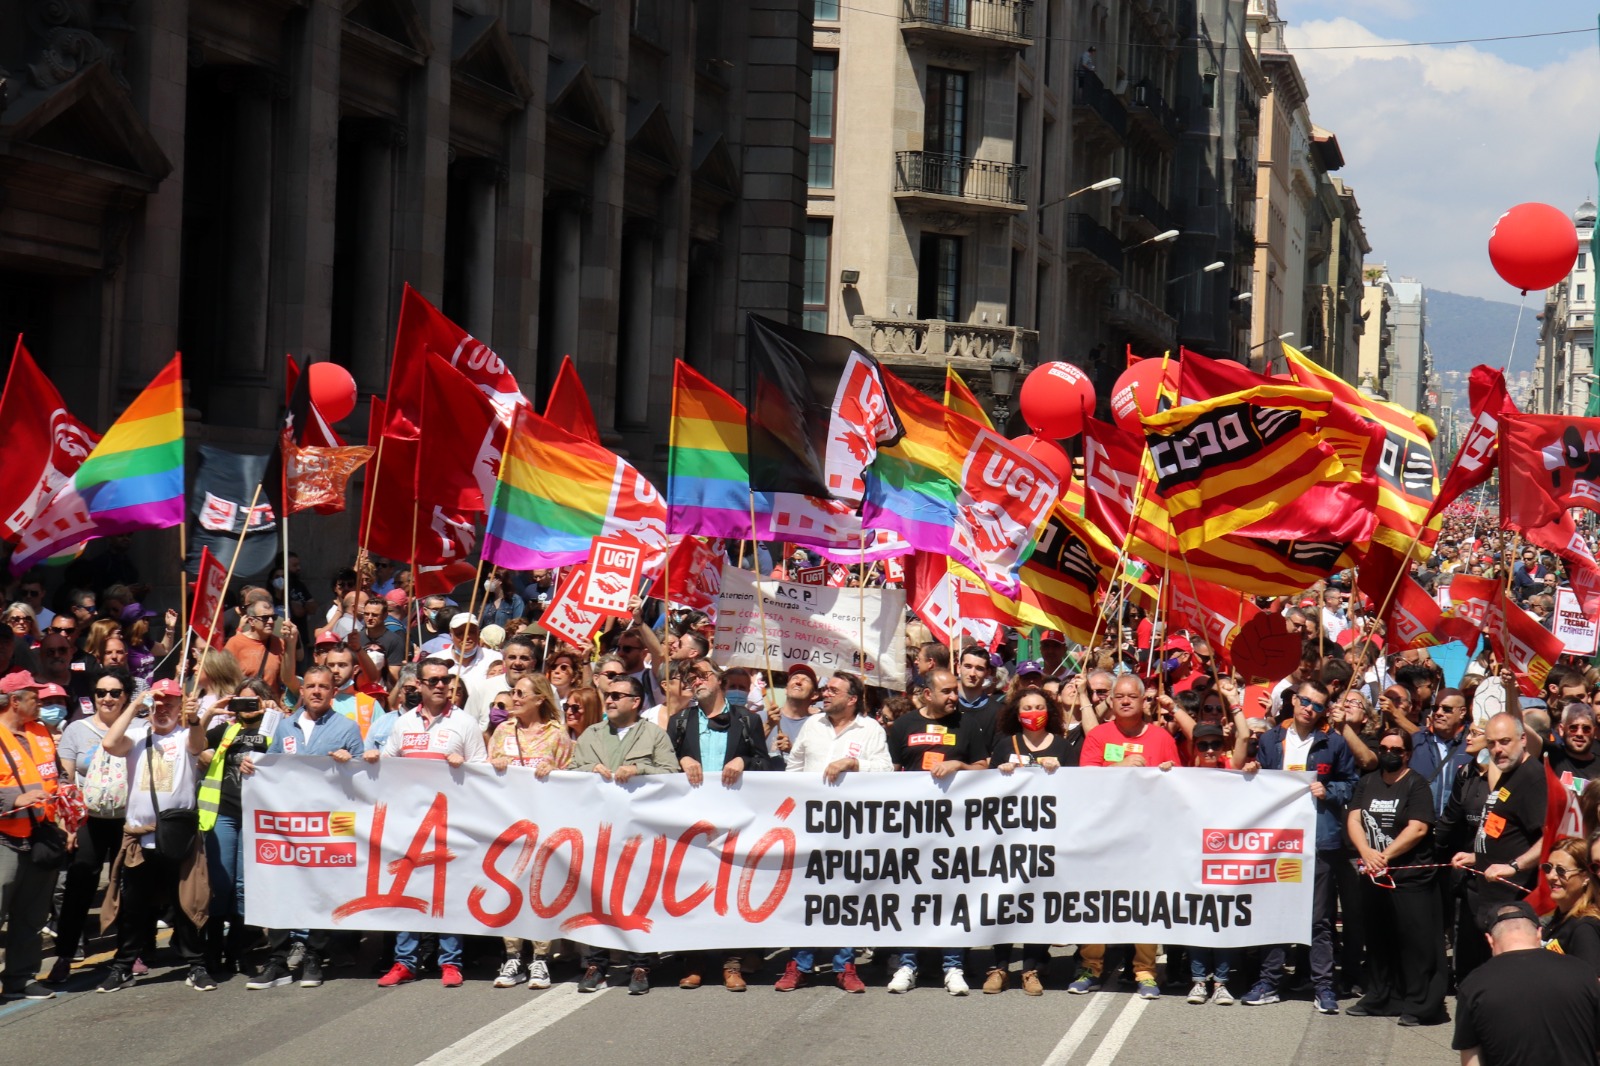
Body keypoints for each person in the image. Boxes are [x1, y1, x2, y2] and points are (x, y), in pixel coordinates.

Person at [368, 656, 488, 988]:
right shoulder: (404, 723)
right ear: (418, 685)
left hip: (451, 822)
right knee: (407, 889)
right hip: (409, 821)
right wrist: (374, 758)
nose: (440, 685)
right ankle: (405, 962)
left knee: (447, 892)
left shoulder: (465, 723)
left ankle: (450, 962)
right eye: (432, 680)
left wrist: (465, 766)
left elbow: (483, 773)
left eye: (445, 679)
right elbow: (389, 764)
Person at [244, 665, 366, 990]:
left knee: (323, 890)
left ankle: (314, 955)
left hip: (328, 825)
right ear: (302, 690)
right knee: (281, 888)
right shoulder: (286, 726)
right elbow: (270, 766)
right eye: (310, 686)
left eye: (323, 686)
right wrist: (251, 765)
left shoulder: (347, 728)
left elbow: (364, 777)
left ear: (333, 691)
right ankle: (278, 960)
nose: (316, 691)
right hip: (289, 825)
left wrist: (350, 761)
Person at [1240, 679, 1357, 1015]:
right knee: (1275, 914)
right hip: (1279, 843)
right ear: (1293, 701)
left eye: (1318, 705)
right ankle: (1268, 982)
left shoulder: (1333, 743)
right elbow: (1262, 784)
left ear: (1324, 710)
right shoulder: (1271, 739)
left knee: (1319, 920)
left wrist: (1328, 791)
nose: (1310, 709)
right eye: (1305, 701)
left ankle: (1323, 987)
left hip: (1318, 842)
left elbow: (1351, 784)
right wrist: (1254, 771)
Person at [776, 671, 892, 993]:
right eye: (825, 689)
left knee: (845, 895)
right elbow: (794, 767)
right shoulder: (813, 725)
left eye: (833, 690)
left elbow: (885, 769)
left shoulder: (870, 729)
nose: (825, 694)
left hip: (850, 828)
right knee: (807, 896)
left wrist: (855, 765)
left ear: (852, 699)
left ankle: (845, 965)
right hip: (809, 826)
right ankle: (799, 964)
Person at [95, 677, 211, 993]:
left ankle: (196, 965)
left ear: (179, 707)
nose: (162, 710)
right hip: (140, 838)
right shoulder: (136, 735)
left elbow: (198, 745)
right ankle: (123, 967)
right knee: (134, 909)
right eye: (158, 704)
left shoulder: (185, 735)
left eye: (169, 704)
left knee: (186, 904)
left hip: (177, 838)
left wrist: (195, 718)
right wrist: (135, 704)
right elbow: (109, 744)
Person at [1072, 673, 1181, 999]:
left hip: (1147, 837)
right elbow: (1085, 779)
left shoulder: (1161, 737)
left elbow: (1179, 784)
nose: (1125, 701)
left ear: (1143, 700)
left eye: (1132, 696)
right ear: (1110, 700)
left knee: (1144, 904)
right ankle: (1090, 967)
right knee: (1096, 902)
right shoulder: (1098, 735)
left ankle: (1145, 971)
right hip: (1104, 834)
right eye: (1118, 696)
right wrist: (1122, 767)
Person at [884, 667, 989, 995]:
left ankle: (953, 965)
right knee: (911, 895)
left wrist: (960, 765)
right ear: (927, 694)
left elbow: (984, 767)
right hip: (912, 827)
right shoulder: (904, 726)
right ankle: (907, 964)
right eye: (947, 691)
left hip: (956, 829)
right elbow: (889, 773)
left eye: (955, 690)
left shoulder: (967, 724)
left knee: (952, 895)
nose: (954, 697)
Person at [569, 674, 676, 994]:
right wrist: (588, 770)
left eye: (617, 695)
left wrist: (640, 770)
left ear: (636, 702)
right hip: (598, 829)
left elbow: (672, 774)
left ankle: (640, 964)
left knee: (637, 897)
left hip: (638, 832)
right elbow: (571, 772)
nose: (610, 699)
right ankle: (596, 963)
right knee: (597, 896)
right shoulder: (591, 734)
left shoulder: (654, 735)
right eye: (608, 694)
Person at [666, 658, 768, 991]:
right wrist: (680, 759)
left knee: (732, 889)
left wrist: (744, 760)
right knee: (692, 888)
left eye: (703, 674)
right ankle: (694, 961)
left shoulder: (748, 719)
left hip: (734, 819)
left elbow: (766, 764)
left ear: (719, 680)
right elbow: (662, 765)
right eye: (691, 677)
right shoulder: (680, 721)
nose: (696, 681)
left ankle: (732, 962)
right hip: (692, 819)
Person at [1344, 728, 1448, 1025]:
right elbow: (1354, 818)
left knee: (1415, 944)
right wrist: (1366, 851)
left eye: (1397, 750)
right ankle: (1381, 997)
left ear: (1408, 754)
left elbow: (1418, 828)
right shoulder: (1368, 782)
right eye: (1384, 748)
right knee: (1379, 941)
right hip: (1374, 876)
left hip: (1409, 877)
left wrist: (1384, 856)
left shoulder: (1416, 784)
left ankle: (1419, 1004)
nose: (1389, 754)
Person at [196, 677, 287, 976]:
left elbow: (289, 753)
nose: (247, 707)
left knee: (243, 886)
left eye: (253, 701)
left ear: (264, 701)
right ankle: (212, 950)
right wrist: (210, 714)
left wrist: (274, 714)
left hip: (256, 816)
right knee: (220, 883)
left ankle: (238, 950)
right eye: (241, 701)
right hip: (223, 812)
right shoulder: (226, 729)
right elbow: (194, 743)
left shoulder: (274, 728)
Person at [50, 666, 135, 982]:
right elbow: (66, 781)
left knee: (129, 887)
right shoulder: (77, 730)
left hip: (128, 820)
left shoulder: (139, 728)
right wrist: (69, 825)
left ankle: (130, 954)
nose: (107, 698)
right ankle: (65, 955)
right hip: (88, 819)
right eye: (101, 692)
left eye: (115, 692)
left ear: (126, 697)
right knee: (79, 885)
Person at [984, 685, 1070, 996]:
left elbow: (1078, 789)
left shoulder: (1062, 747)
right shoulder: (1005, 744)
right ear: (1016, 714)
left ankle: (1030, 969)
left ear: (1049, 712)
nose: (1033, 713)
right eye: (1027, 708)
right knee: (1005, 900)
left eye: (1039, 707)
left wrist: (1060, 773)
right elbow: (987, 790)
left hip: (1047, 838)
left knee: (1038, 901)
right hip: (1009, 837)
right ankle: (1000, 967)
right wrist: (1000, 772)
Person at [486, 675, 570, 991]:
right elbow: (485, 775)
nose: (515, 697)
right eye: (513, 691)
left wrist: (557, 773)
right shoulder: (502, 732)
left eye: (522, 693)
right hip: (509, 823)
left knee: (540, 890)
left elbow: (573, 777)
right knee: (509, 887)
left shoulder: (557, 734)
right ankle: (512, 956)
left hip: (545, 823)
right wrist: (494, 765)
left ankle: (541, 958)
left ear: (540, 699)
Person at [1449, 712, 1547, 980]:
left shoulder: (1532, 777)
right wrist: (1476, 855)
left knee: (1512, 979)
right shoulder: (1508, 771)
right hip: (1489, 897)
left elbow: (1549, 838)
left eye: (1505, 741)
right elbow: (1507, 827)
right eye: (1491, 743)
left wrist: (1514, 866)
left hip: (1514, 902)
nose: (1497, 750)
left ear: (1523, 739)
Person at [1453, 900, 1600, 1066]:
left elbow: (1471, 1060)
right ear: (1539, 934)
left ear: (1490, 940)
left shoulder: (1474, 986)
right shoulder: (1583, 973)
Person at [0, 671, 64, 1001]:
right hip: (4, 839)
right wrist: (15, 798)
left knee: (31, 914)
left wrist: (66, 802)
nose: (41, 703)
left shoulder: (41, 732)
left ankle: (20, 979)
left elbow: (57, 774)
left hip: (41, 835)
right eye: (34, 698)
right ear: (15, 701)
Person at [1538, 836, 1600, 974]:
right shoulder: (1558, 919)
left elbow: (1592, 981)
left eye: (1561, 871)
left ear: (1585, 877)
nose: (1551, 876)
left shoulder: (1585, 927)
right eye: (1548, 868)